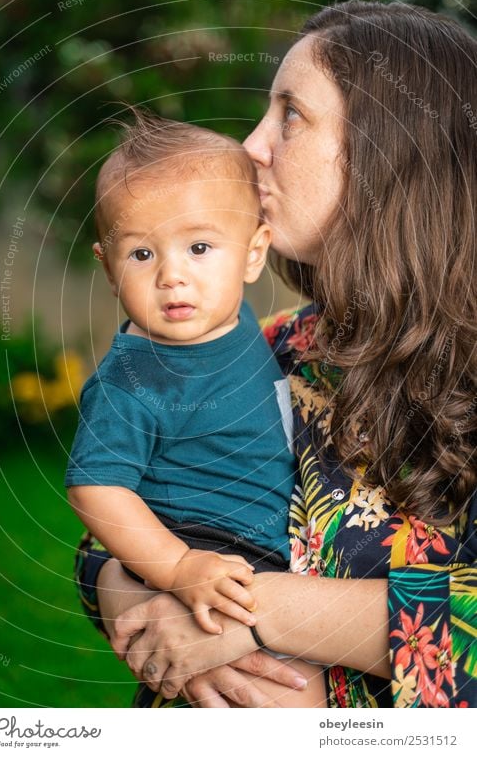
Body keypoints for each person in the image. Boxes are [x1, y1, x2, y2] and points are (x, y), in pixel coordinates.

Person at [74, 0, 476, 708]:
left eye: (290, 114)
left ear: (392, 148)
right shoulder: (269, 347)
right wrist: (139, 594)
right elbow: (124, 516)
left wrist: (248, 611)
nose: (252, 145)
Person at [67, 113, 328, 706]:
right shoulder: (132, 378)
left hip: (263, 554)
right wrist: (179, 567)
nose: (171, 275)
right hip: (198, 546)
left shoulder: (243, 330)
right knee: (284, 697)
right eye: (141, 254)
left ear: (253, 253)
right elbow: (95, 490)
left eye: (200, 247)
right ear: (108, 268)